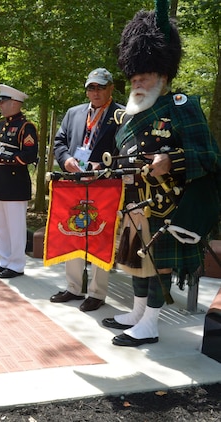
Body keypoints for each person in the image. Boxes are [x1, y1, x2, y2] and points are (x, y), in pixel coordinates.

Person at [102, 4, 221, 346]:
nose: (137, 82)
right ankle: (138, 312)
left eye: (146, 76)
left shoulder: (182, 107)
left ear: (164, 76)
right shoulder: (127, 116)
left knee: (159, 263)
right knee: (136, 258)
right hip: (134, 201)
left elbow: (210, 157)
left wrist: (172, 161)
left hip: (168, 204)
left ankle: (152, 322)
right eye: (134, 77)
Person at [49, 68, 124, 312]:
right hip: (74, 183)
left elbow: (126, 150)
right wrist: (67, 159)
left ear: (111, 88)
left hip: (104, 185)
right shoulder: (73, 113)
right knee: (73, 231)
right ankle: (73, 287)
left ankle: (97, 293)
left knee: (99, 235)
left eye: (100, 87)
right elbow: (59, 142)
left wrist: (102, 164)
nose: (95, 92)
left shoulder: (122, 115)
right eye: (91, 87)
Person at [0, 84, 38, 279]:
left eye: (3, 102)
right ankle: (4, 260)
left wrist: (4, 157)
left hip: (15, 186)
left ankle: (16, 265)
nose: (0, 105)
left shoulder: (26, 127)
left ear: (15, 103)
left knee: (15, 228)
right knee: (1, 227)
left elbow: (29, 155)